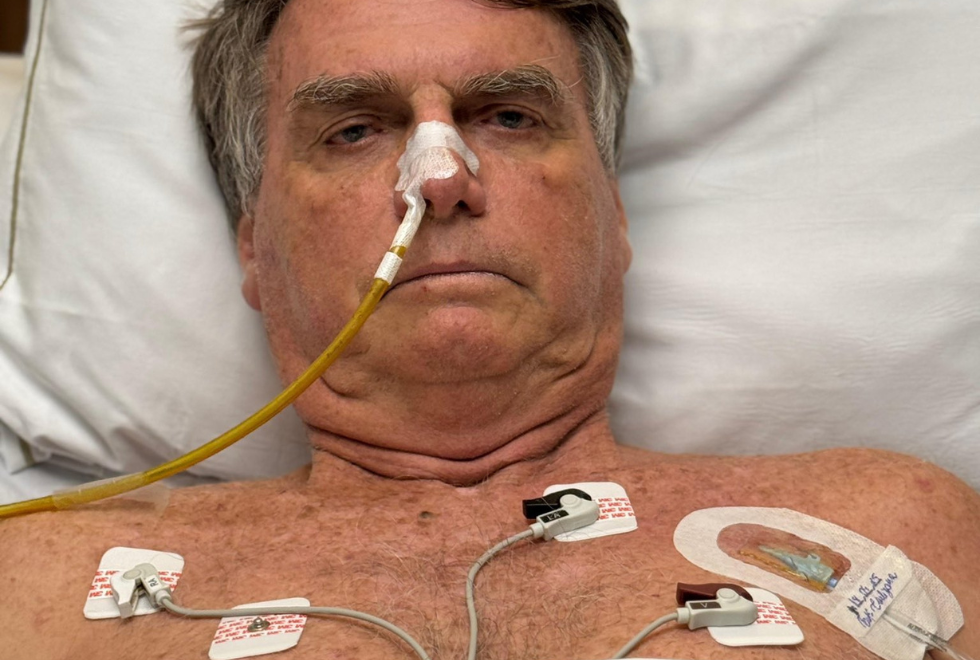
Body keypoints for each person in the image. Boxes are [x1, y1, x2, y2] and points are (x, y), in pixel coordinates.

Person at [1, 0, 977, 658]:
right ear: (254, 246)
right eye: (354, 129)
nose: (439, 178)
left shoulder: (895, 528)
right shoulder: (39, 588)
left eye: (507, 116)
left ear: (613, 216)